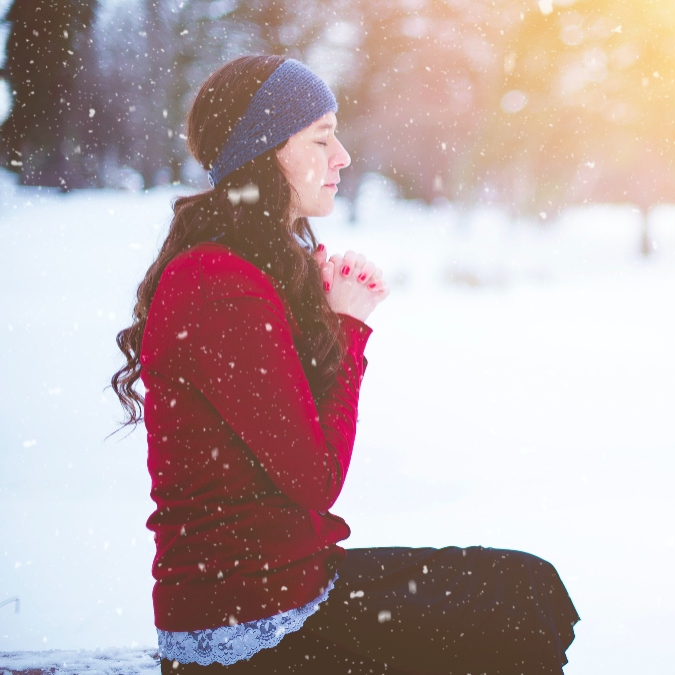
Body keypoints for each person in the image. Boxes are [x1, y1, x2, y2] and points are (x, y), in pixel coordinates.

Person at [110, 55, 579, 674]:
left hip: (292, 591)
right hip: (251, 631)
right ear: (265, 151)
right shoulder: (216, 283)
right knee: (513, 613)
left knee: (531, 589)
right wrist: (349, 328)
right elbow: (315, 476)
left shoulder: (243, 271)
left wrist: (328, 320)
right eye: (322, 137)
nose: (343, 157)